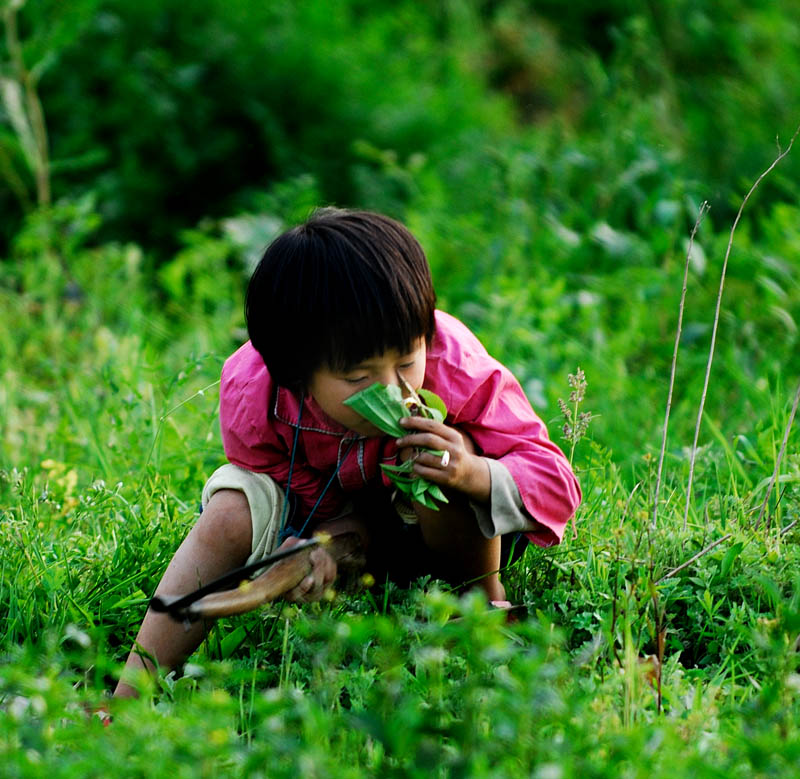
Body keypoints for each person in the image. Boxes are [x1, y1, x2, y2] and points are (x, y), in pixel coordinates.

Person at [114, 208, 581, 698]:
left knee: (445, 446)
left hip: (456, 532)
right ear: (297, 374)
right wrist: (315, 546)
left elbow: (557, 482)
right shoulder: (256, 395)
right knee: (233, 508)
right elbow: (305, 500)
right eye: (358, 377)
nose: (394, 388)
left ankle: (485, 616)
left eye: (406, 361)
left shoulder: (452, 362)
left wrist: (471, 472)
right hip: (354, 532)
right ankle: (128, 691)